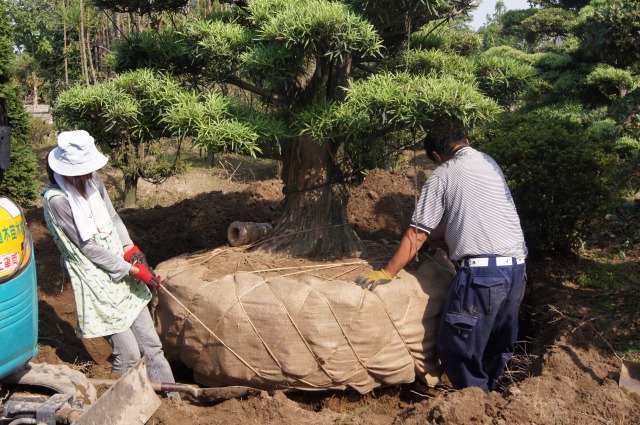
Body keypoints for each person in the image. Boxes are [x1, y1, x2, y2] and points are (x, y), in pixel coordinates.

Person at [354, 129, 527, 393]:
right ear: (464, 141)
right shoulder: (488, 162)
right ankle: (496, 394)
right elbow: (453, 222)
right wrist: (430, 239)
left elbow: (416, 233)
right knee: (495, 341)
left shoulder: (444, 174)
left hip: (483, 276)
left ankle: (474, 401)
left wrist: (388, 272)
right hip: (516, 270)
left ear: (437, 155)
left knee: (455, 346)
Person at [41, 130, 179, 398]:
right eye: (85, 170)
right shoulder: (57, 200)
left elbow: (113, 218)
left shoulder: (92, 180)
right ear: (70, 171)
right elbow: (87, 246)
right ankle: (117, 408)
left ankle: (175, 402)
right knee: (127, 354)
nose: (91, 174)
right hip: (97, 279)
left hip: (121, 267)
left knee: (152, 346)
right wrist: (130, 269)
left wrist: (131, 249)